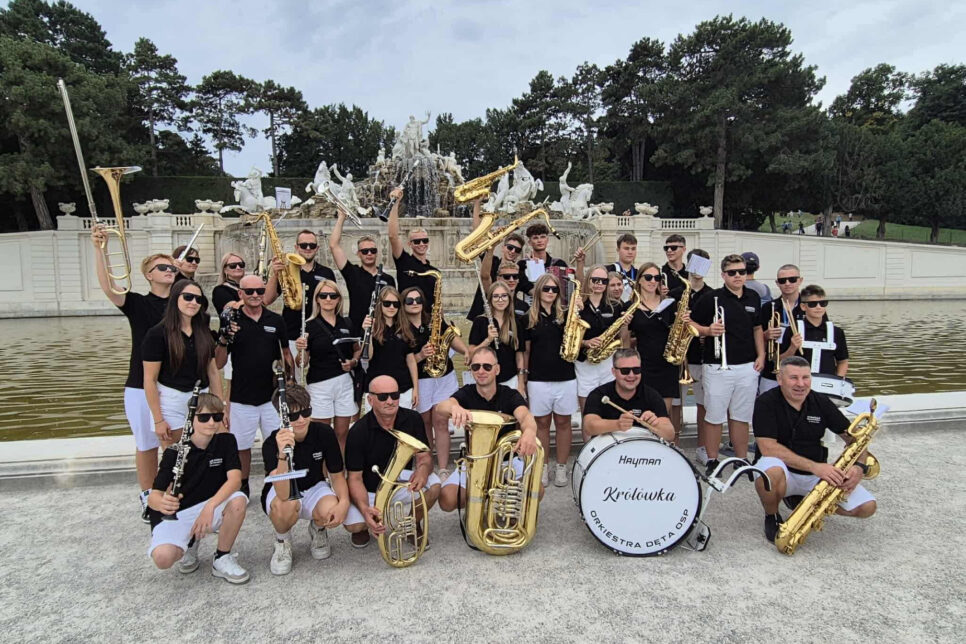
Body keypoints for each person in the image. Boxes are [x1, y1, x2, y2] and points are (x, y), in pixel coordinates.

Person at [91, 224, 175, 521]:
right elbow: (108, 287)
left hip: (175, 385)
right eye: (162, 267)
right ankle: (148, 496)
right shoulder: (138, 303)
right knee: (147, 443)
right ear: (149, 275)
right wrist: (100, 250)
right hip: (141, 384)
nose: (169, 270)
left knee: (175, 444)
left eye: (171, 266)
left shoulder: (184, 303)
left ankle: (175, 494)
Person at [754, 357, 876, 542]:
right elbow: (767, 447)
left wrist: (859, 467)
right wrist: (816, 467)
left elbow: (854, 439)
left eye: (806, 378)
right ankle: (772, 515)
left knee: (867, 507)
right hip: (785, 471)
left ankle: (808, 506)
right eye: (793, 378)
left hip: (816, 473)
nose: (801, 384)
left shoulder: (821, 401)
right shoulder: (766, 402)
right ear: (780, 379)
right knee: (769, 471)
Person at [146, 394, 250, 583]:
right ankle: (190, 541)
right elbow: (154, 496)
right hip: (180, 512)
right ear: (191, 418)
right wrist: (162, 503)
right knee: (163, 559)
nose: (211, 423)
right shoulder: (174, 452)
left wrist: (209, 508)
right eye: (204, 418)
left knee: (238, 500)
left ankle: (221, 557)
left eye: (217, 417)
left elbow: (235, 480)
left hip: (211, 506)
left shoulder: (227, 441)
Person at [215, 274, 293, 496]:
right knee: (241, 447)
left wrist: (291, 381)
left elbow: (286, 353)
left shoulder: (276, 320)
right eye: (249, 292)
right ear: (240, 294)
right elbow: (219, 363)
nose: (256, 295)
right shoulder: (232, 321)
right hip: (241, 397)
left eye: (260, 291)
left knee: (275, 443)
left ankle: (274, 482)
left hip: (271, 397)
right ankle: (243, 484)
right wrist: (222, 338)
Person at [435, 345, 540, 511]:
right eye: (476, 367)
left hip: (506, 461)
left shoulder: (510, 395)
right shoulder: (466, 393)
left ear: (497, 370)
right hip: (474, 462)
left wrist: (529, 431)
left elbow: (526, 417)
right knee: (447, 500)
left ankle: (499, 497)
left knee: (536, 490)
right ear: (471, 370)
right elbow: (441, 407)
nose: (481, 371)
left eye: (487, 366)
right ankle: (483, 498)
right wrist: (454, 407)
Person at [342, 376, 441, 548]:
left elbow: (425, 457)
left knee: (434, 485)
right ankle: (364, 527)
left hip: (399, 479)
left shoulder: (413, 419)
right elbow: (354, 478)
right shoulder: (358, 431)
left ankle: (412, 525)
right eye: (383, 397)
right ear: (370, 400)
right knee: (353, 525)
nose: (390, 401)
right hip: (370, 486)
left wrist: (423, 471)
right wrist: (365, 508)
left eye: (394, 395)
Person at [262, 384, 349, 575]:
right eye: (293, 416)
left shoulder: (324, 433)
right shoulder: (271, 443)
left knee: (330, 507)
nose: (301, 420)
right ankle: (282, 540)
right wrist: (283, 454)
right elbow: (283, 493)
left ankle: (318, 529)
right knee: (284, 506)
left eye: (306, 412)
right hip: (283, 492)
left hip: (314, 486)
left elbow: (336, 474)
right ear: (282, 417)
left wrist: (343, 502)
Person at [690, 254, 765, 474]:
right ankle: (713, 460)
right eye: (732, 272)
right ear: (723, 275)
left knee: (741, 416)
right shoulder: (711, 298)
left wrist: (761, 356)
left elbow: (757, 329)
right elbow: (690, 323)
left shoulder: (753, 297)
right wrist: (707, 330)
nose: (738, 276)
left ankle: (741, 460)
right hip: (717, 366)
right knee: (714, 415)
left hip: (747, 366)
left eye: (741, 271)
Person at [143, 279, 223, 448]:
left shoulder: (204, 332)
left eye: (198, 299)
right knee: (175, 459)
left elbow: (213, 371)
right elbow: (150, 379)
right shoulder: (157, 334)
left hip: (203, 400)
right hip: (171, 401)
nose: (193, 302)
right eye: (188, 297)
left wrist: (220, 409)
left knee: (203, 456)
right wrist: (158, 420)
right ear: (175, 298)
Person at [402, 285, 469, 477]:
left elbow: (451, 338)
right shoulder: (402, 328)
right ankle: (427, 465)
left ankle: (443, 467)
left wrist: (466, 351)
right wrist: (421, 355)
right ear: (403, 304)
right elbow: (403, 362)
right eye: (410, 301)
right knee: (424, 422)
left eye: (418, 300)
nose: (415, 304)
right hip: (421, 380)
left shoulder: (434, 321)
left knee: (440, 421)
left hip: (444, 377)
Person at [522, 272, 576, 487]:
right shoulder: (527, 318)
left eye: (554, 289)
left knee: (564, 423)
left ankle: (561, 466)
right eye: (546, 289)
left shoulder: (565, 315)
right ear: (538, 291)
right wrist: (523, 378)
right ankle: (542, 466)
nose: (551, 293)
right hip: (538, 378)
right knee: (541, 424)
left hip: (565, 377)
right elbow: (526, 351)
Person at [294, 280, 361, 449]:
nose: (328, 299)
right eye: (323, 295)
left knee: (342, 433)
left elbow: (357, 350)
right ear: (317, 299)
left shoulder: (347, 323)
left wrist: (352, 362)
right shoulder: (308, 326)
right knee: (323, 434)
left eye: (333, 295)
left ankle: (340, 471)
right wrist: (300, 349)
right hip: (320, 384)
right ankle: (322, 474)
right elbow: (302, 362)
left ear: (339, 299)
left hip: (344, 383)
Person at [627, 262, 681, 442]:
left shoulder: (669, 304)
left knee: (663, 414)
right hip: (643, 364)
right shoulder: (631, 305)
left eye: (656, 278)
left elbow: (677, 330)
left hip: (667, 364)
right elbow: (625, 339)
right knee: (644, 411)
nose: (652, 281)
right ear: (639, 280)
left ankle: (666, 449)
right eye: (648, 277)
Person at [263, 229, 336, 357]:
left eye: (312, 245)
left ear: (317, 248)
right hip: (292, 334)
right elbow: (267, 300)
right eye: (303, 245)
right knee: (293, 376)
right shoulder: (286, 271)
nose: (308, 248)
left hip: (319, 335)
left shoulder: (327, 273)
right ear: (296, 247)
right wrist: (275, 274)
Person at [328, 206, 396, 335]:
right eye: (365, 251)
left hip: (383, 332)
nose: (369, 253)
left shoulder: (388, 279)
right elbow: (333, 246)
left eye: (373, 251)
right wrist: (341, 218)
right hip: (358, 331)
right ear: (358, 254)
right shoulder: (352, 273)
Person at [574, 264, 625, 436]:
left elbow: (620, 337)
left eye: (603, 281)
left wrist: (625, 325)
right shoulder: (579, 306)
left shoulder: (615, 306)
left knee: (608, 410)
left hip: (607, 363)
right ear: (588, 281)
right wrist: (586, 342)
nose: (599, 284)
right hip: (585, 364)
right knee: (587, 411)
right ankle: (588, 453)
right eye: (595, 280)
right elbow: (569, 337)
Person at [582, 349, 674, 441]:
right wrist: (617, 424)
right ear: (614, 372)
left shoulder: (651, 395)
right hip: (607, 449)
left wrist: (655, 424)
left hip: (643, 449)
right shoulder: (599, 394)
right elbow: (589, 427)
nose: (631, 375)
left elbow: (670, 435)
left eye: (636, 370)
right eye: (625, 371)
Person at [679, 250, 714, 465]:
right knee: (675, 405)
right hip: (678, 357)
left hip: (700, 357)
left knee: (703, 404)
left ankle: (702, 447)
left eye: (703, 265)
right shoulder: (677, 292)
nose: (698, 270)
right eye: (695, 264)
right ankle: (674, 446)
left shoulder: (713, 294)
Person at [360, 287, 419, 410]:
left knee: (403, 425)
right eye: (387, 303)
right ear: (380, 305)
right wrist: (368, 333)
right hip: (377, 389)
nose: (391, 307)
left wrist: (416, 389)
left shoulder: (405, 327)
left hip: (403, 388)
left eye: (395, 304)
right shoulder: (371, 327)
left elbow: (411, 360)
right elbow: (368, 356)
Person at [467, 198, 526, 320]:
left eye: (517, 250)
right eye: (510, 247)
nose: (513, 251)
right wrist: (477, 204)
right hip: (483, 313)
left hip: (507, 316)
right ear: (503, 247)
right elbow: (477, 236)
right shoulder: (491, 260)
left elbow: (535, 291)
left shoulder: (518, 271)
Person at [468, 281, 528, 397]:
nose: (500, 300)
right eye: (496, 296)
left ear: (509, 298)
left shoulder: (516, 322)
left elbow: (519, 355)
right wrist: (488, 340)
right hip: (485, 380)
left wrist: (520, 384)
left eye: (504, 296)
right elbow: (471, 354)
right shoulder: (480, 322)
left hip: (510, 379)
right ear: (490, 299)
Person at [388, 187, 442, 312]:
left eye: (425, 240)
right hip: (408, 321)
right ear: (410, 244)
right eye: (417, 241)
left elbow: (438, 303)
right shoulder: (404, 261)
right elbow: (392, 236)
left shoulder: (435, 272)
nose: (421, 244)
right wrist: (395, 204)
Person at [780, 285, 849, 377]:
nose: (818, 307)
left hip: (827, 383)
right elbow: (781, 361)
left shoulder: (837, 332)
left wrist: (838, 381)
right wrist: (792, 348)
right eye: (813, 304)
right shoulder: (793, 329)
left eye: (823, 303)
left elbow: (843, 361)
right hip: (799, 383)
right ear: (803, 306)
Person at [759, 264, 803, 395]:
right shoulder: (768, 308)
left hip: (802, 370)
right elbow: (756, 338)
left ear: (800, 280)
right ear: (777, 283)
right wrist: (765, 335)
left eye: (792, 279)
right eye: (783, 281)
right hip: (772, 370)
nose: (787, 283)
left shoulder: (810, 306)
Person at [518, 223, 568, 298]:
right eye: (535, 238)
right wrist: (535, 268)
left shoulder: (559, 263)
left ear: (547, 240)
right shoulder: (522, 265)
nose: (539, 240)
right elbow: (530, 291)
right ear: (529, 242)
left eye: (542, 237)